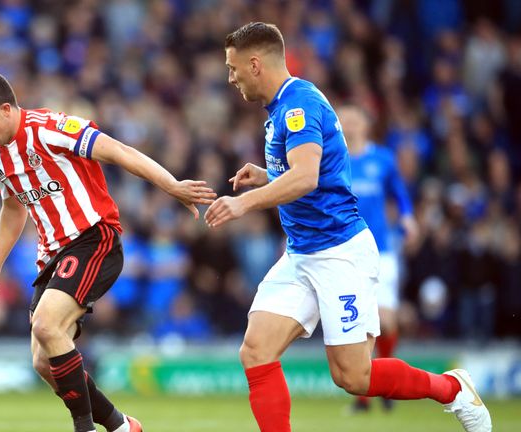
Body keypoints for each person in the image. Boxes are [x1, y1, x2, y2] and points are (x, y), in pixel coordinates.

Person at [204, 22, 491, 432]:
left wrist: (242, 203)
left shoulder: (298, 106)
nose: (230, 78)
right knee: (255, 350)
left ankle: (452, 389)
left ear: (255, 63)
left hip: (340, 253)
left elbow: (306, 177)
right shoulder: (279, 110)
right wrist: (267, 175)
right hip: (301, 253)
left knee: (353, 377)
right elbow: (311, 173)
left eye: (233, 68)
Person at [0, 68, 216, 432]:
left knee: (46, 325)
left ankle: (84, 428)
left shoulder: (51, 128)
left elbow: (119, 151)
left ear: (6, 109)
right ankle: (123, 427)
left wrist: (172, 186)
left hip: (94, 237)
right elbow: (13, 209)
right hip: (52, 257)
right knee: (44, 362)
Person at [338, 104, 419, 412]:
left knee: (385, 319)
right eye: (344, 120)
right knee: (358, 323)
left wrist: (408, 218)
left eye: (354, 119)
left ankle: (384, 384)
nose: (350, 125)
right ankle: (362, 398)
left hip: (381, 250)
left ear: (365, 125)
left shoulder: (382, 159)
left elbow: (399, 192)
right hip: (345, 251)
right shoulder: (333, 158)